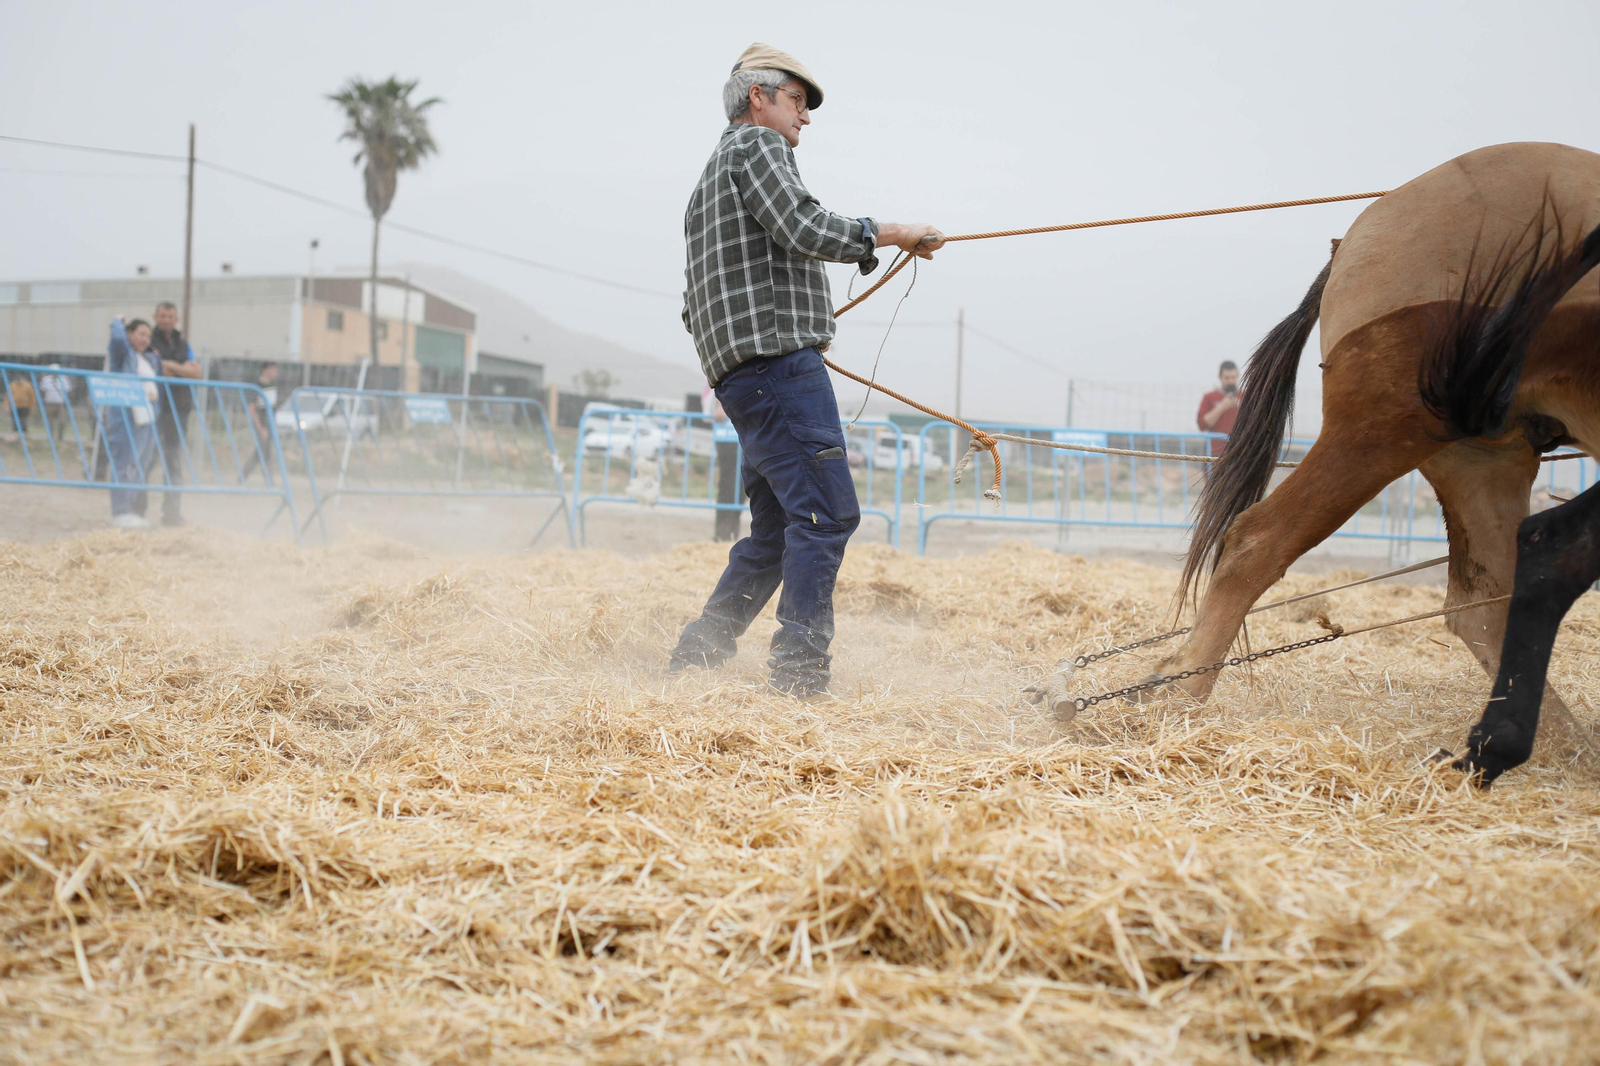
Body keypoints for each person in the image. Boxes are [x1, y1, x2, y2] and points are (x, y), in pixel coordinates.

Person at [668, 43, 946, 697]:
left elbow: (693, 306)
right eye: (798, 99)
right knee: (825, 516)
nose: (807, 117)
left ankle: (698, 657)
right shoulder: (758, 150)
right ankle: (798, 677)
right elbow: (800, 224)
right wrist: (893, 230)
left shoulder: (703, 186)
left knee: (776, 530)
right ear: (757, 97)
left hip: (743, 379)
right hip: (777, 372)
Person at [103, 317, 163, 529]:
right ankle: (120, 511)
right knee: (124, 464)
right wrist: (118, 322)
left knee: (139, 466)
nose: (145, 339)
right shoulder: (123, 355)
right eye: (140, 334)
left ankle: (131, 509)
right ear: (130, 334)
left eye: (148, 335)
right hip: (127, 417)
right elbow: (117, 341)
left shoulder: (148, 359)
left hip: (147, 419)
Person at [148, 301, 202, 527]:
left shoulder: (183, 343)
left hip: (179, 410)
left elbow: (197, 372)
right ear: (156, 317)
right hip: (155, 408)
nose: (166, 320)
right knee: (146, 459)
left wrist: (171, 366)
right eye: (162, 316)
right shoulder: (148, 340)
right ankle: (135, 509)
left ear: (176, 319)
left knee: (173, 462)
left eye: (170, 316)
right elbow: (156, 369)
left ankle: (171, 514)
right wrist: (182, 370)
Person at [239, 362, 279, 485]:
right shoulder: (256, 387)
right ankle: (268, 482)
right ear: (266, 370)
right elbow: (251, 409)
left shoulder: (272, 386)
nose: (276, 372)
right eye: (273, 369)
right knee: (263, 453)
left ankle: (242, 478)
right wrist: (260, 427)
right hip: (262, 425)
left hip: (270, 425)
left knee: (261, 453)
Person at [1196, 360, 1241, 456]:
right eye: (1227, 378)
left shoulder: (1244, 397)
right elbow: (1202, 424)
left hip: (1239, 451)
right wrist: (1222, 407)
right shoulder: (1210, 397)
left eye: (1233, 377)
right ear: (1220, 377)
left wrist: (1241, 407)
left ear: (1237, 377)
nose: (1230, 381)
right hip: (1215, 451)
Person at [39, 364, 72, 443]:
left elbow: (68, 390)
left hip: (60, 403)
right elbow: (43, 390)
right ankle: (50, 437)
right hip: (49, 403)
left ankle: (60, 437)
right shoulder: (46, 379)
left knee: (62, 421)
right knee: (49, 421)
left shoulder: (64, 379)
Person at [6, 373, 35, 442]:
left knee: (23, 419)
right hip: (14, 406)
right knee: (15, 419)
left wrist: (32, 407)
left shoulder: (28, 385)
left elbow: (32, 397)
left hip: (25, 406)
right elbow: (8, 396)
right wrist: (7, 405)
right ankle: (16, 433)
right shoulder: (12, 385)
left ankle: (24, 433)